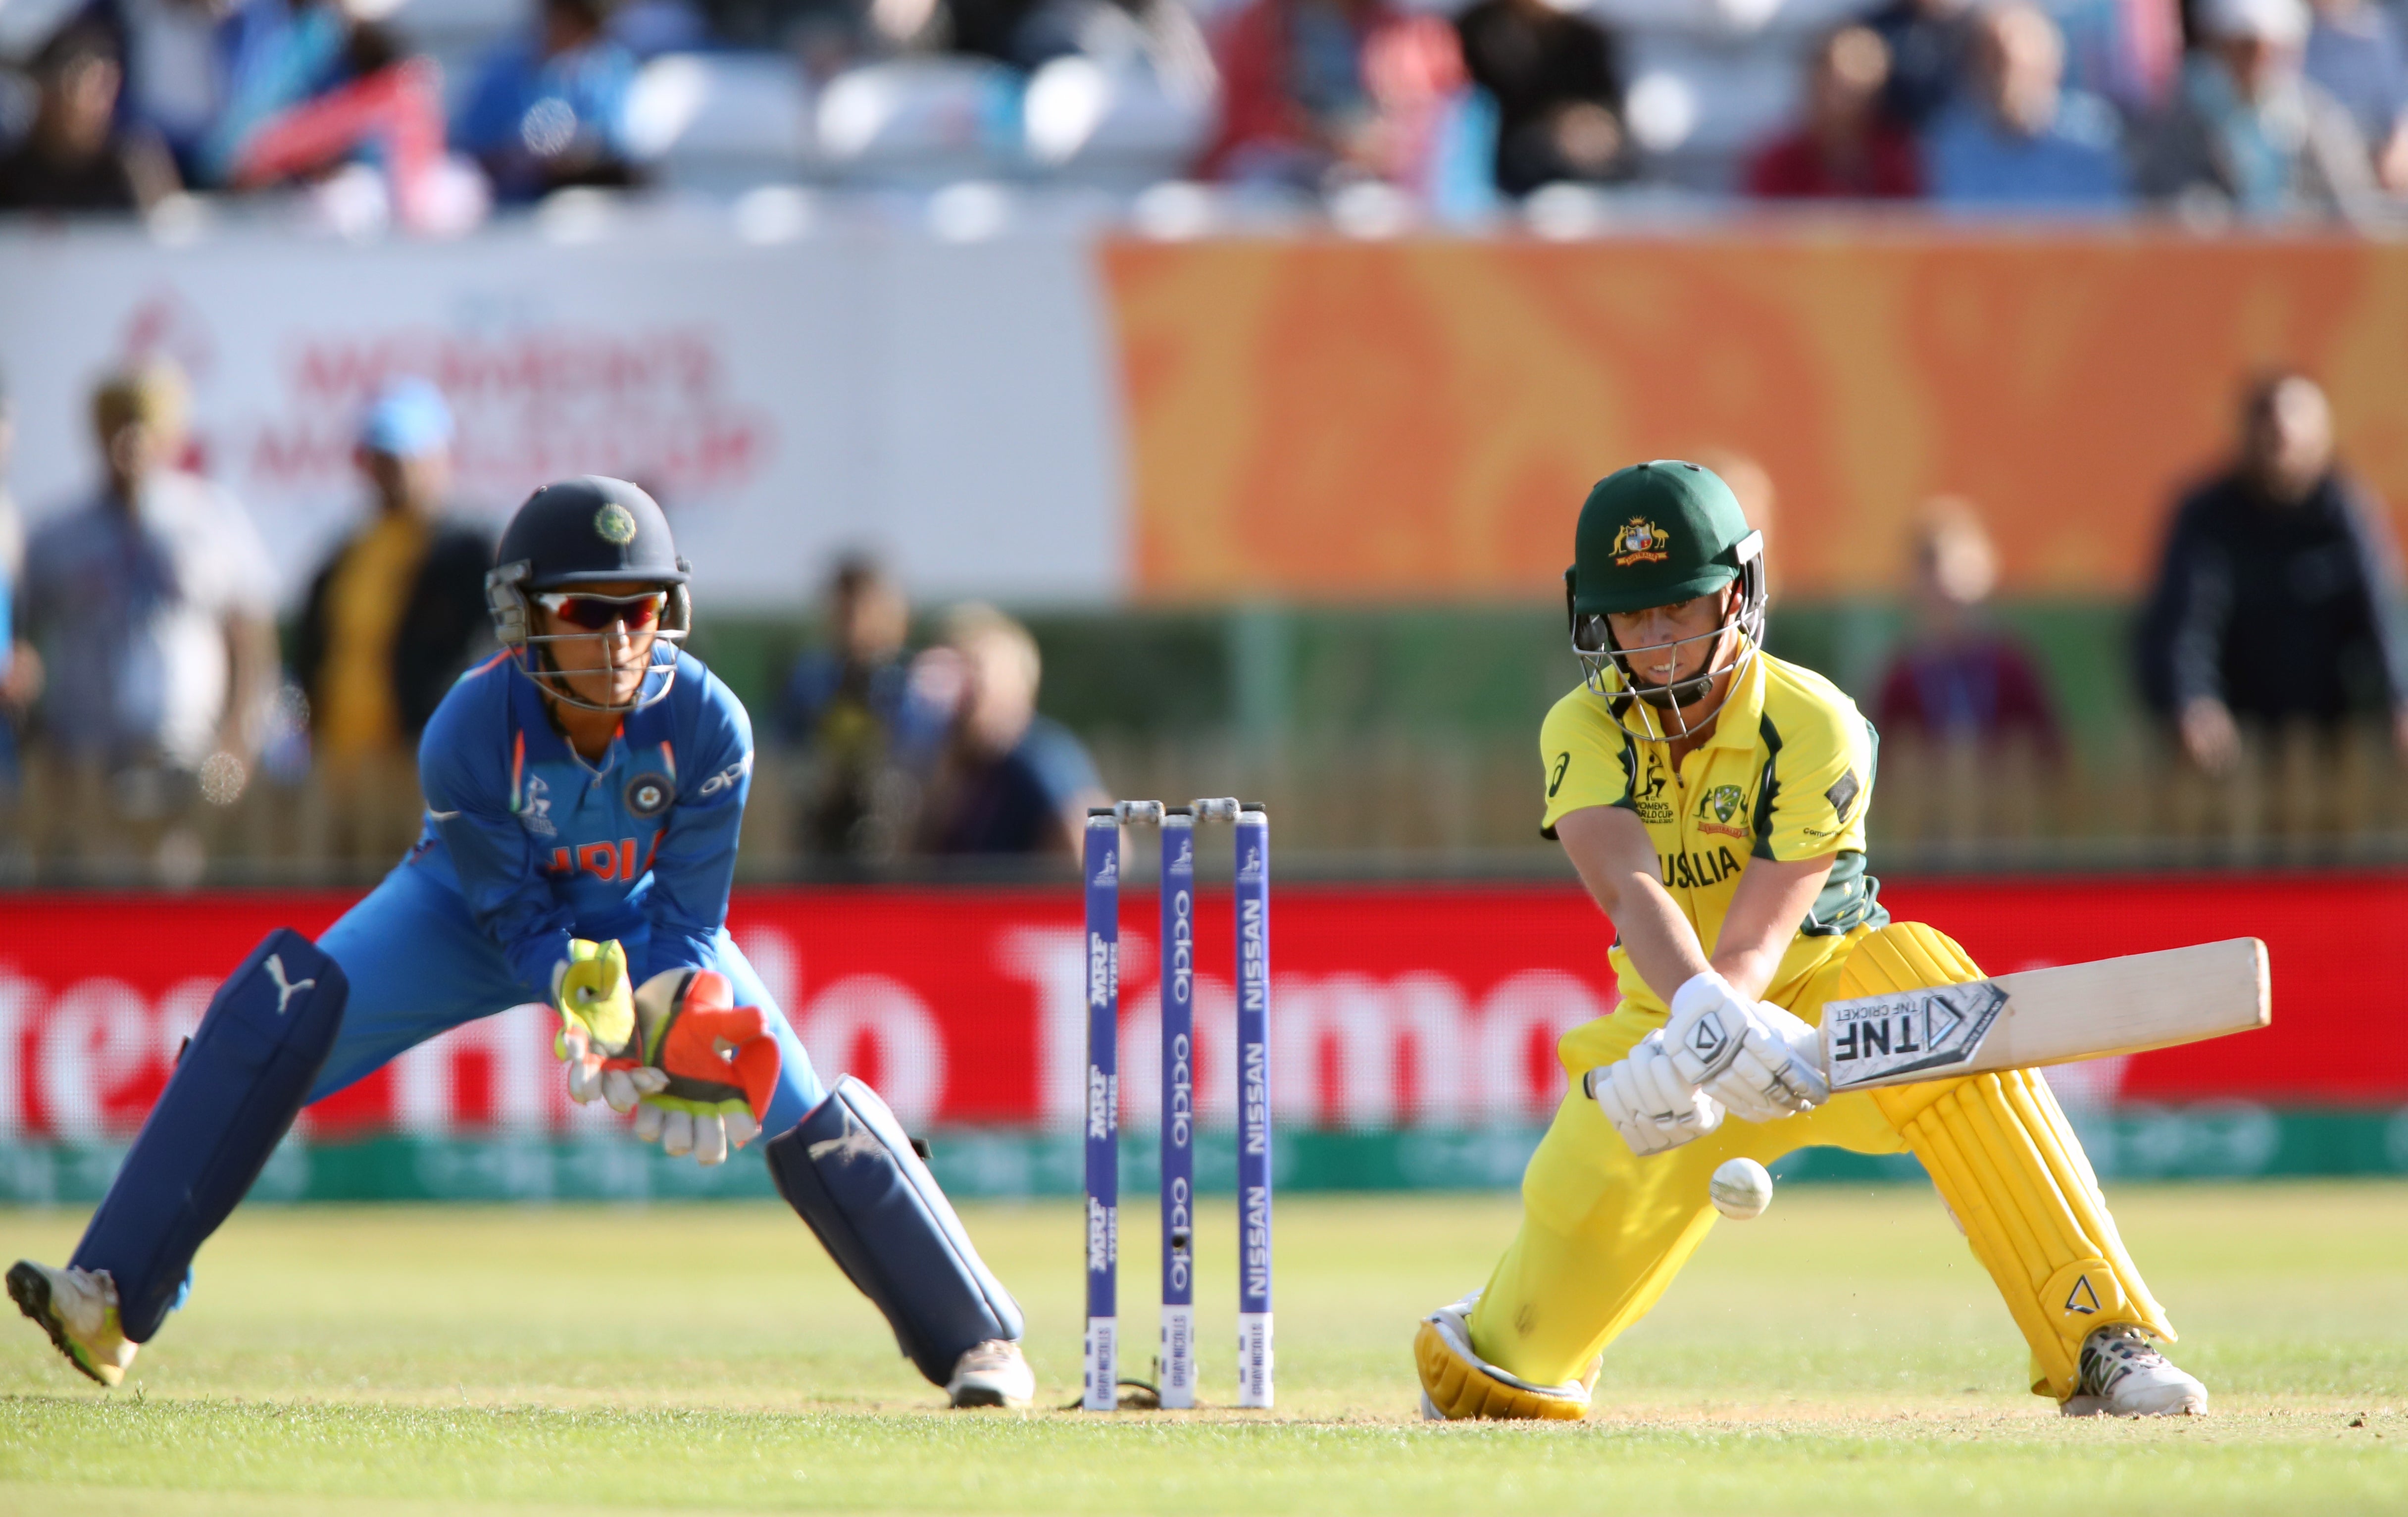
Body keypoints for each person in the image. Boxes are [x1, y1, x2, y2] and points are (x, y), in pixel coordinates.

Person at [8, 477, 1037, 1409]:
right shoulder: (465, 729)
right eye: (591, 610)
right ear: (528, 616)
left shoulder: (713, 724)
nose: (623, 636)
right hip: (456, 912)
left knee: (800, 1099)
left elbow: (688, 916)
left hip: (641, 921)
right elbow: (510, 916)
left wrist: (659, 1002)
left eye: (642, 609)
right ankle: (111, 1295)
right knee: (274, 1009)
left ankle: (977, 1341)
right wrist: (578, 991)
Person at [1414, 460, 2207, 1422]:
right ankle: (1500, 1325)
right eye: (1634, 617)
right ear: (1597, 622)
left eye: (1682, 607)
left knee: (1938, 993)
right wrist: (1696, 1022)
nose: (1660, 643)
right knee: (1497, 1378)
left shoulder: (1815, 721)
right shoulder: (1579, 725)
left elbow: (1763, 920)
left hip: (1828, 995)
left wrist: (1726, 1007)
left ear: (1737, 593)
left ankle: (2100, 1342)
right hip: (1664, 1020)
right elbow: (1625, 882)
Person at [16, 364, 278, 857]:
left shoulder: (211, 519)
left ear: (171, 433)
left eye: (145, 423)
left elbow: (252, 642)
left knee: (175, 900)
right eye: (118, 423)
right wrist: (34, 740)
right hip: (84, 759)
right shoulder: (57, 535)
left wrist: (237, 749)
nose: (131, 438)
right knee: (92, 904)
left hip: (185, 754)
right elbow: (26, 639)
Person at [2135, 371, 2408, 775]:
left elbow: (2382, 615)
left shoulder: (2346, 513)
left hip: (2328, 730)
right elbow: (2185, 621)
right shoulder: (2209, 517)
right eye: (2270, 430)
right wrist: (2192, 700)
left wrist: (2400, 698)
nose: (2280, 445)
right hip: (2234, 740)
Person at [291, 380, 494, 860]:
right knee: (336, 906)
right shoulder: (347, 552)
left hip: (422, 765)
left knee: (423, 896)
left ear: (439, 456)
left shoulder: (469, 552)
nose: (392, 470)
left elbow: (492, 654)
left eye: (406, 455)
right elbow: (314, 649)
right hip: (341, 761)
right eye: (381, 456)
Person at [2132, 0, 2380, 221]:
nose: (2258, 61)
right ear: (2218, 45)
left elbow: (2353, 210)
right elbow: (2166, 205)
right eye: (2245, 47)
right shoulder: (2181, 118)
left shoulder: (2319, 121)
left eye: (2273, 49)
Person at [778, 555, 944, 860]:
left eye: (864, 610)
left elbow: (924, 755)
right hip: (820, 817)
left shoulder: (914, 681)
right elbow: (782, 745)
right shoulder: (813, 677)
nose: (853, 623)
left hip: (893, 827)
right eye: (843, 610)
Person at [911, 603, 1105, 856]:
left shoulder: (1039, 756)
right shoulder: (956, 761)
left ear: (1017, 680)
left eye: (974, 671)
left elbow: (1100, 853)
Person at [1873, 498, 2062, 755]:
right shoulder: (1902, 680)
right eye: (1930, 566)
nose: (1947, 584)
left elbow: (2049, 754)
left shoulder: (2011, 670)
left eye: (1963, 564)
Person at [1920, 1, 2129, 209]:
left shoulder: (2092, 141)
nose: (2008, 82)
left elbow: (2112, 226)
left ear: (2054, 68)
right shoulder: (1949, 146)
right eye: (1996, 64)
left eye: (2023, 69)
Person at [453, 0, 639, 203]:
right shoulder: (502, 70)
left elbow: (618, 146)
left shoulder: (610, 68)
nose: (566, 26)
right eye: (561, 13)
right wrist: (518, 158)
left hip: (589, 198)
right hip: (511, 206)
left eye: (577, 18)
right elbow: (470, 148)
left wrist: (575, 155)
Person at [1453, 0, 1628, 196]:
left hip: (1569, 189)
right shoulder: (1477, 29)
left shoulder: (1586, 40)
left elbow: (1608, 124)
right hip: (1491, 186)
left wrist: (1581, 127)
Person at [0, 23, 179, 212]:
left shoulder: (136, 164)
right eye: (78, 85)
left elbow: (169, 231)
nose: (98, 102)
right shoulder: (10, 174)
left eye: (105, 86)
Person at [1744, 26, 1921, 199]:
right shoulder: (1777, 162)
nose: (1837, 100)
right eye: (1828, 84)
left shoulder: (1897, 160)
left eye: (1850, 88)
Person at [2302, 0, 2408, 188]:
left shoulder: (2378, 32)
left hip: (2376, 170)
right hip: (2315, 170)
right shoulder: (2287, 26)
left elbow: (2399, 114)